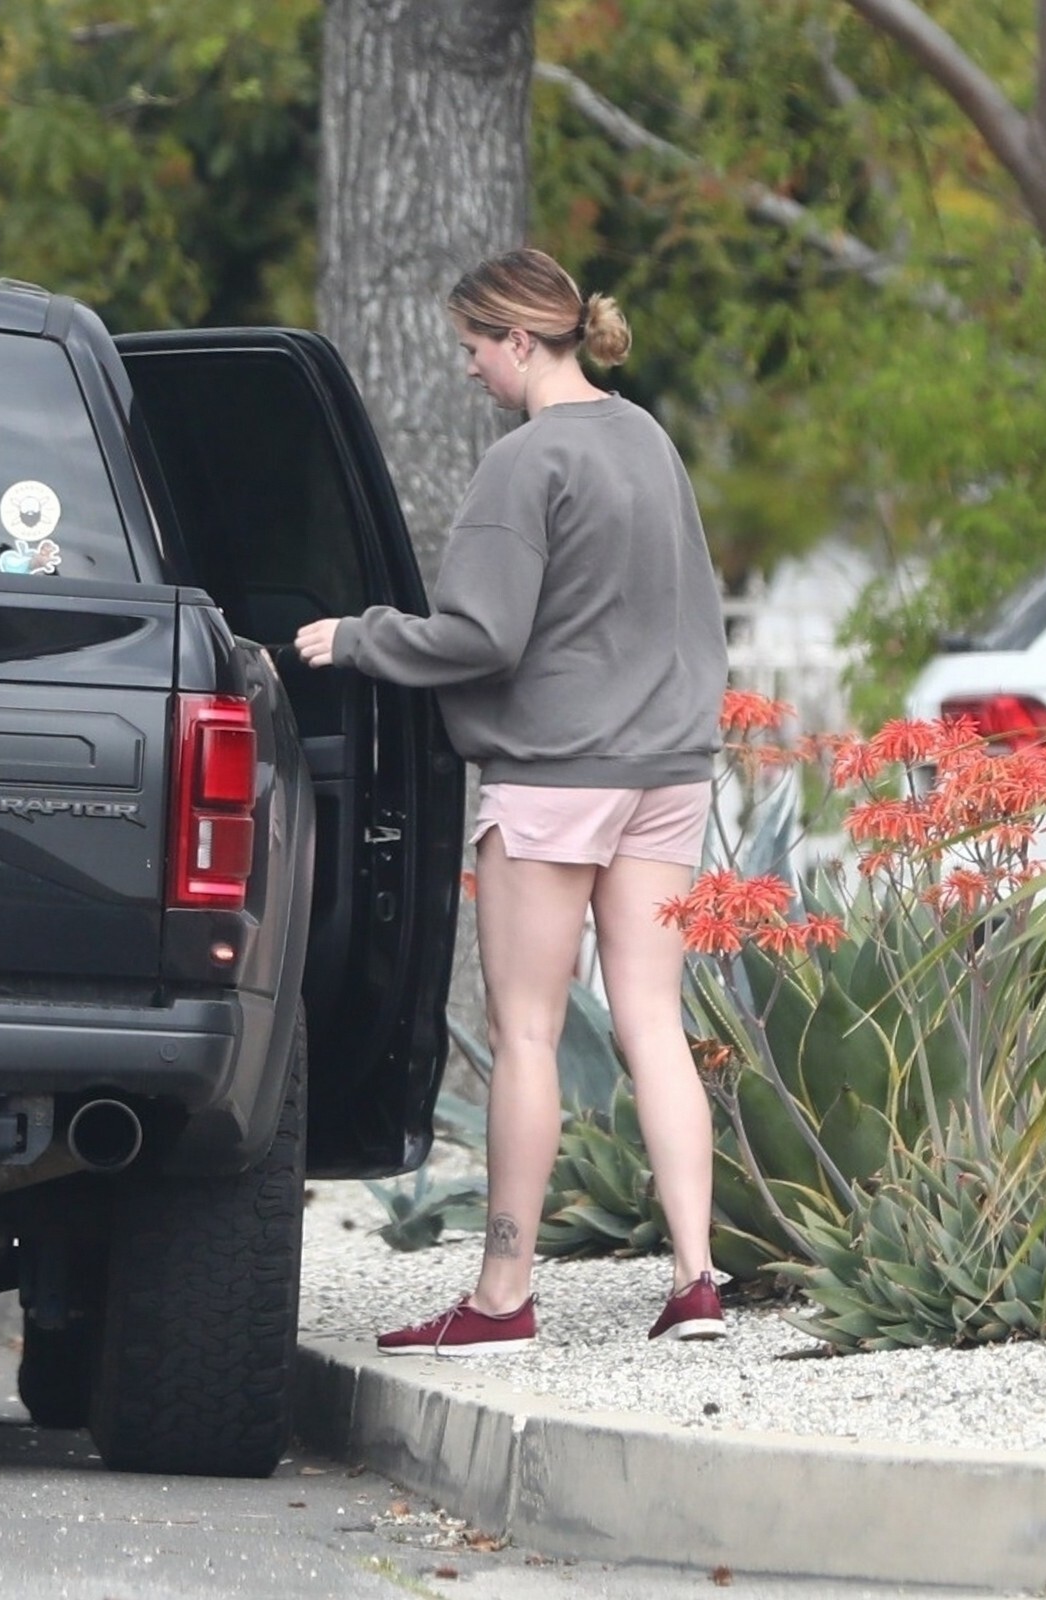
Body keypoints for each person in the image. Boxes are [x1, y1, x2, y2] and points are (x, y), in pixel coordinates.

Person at [294, 249, 730, 1354]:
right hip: (669, 770)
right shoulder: (648, 439)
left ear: (521, 341)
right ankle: (697, 1282)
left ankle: (501, 1295)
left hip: (556, 777)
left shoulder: (525, 460)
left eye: (475, 347)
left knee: (528, 1031)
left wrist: (357, 638)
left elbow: (481, 637)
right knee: (653, 1021)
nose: (471, 368)